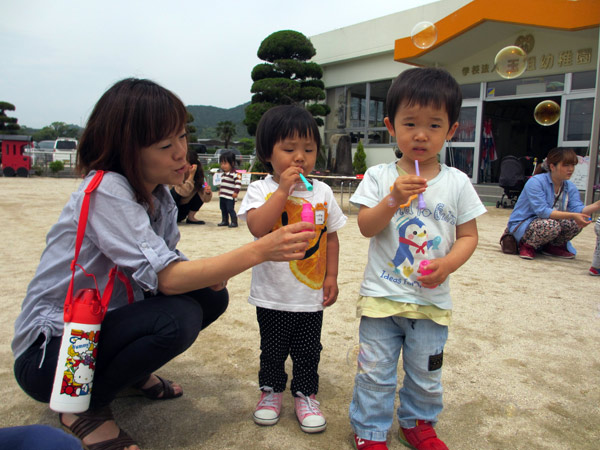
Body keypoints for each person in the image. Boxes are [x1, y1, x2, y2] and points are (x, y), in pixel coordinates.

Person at [11, 78, 316, 450]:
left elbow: (166, 269)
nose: (180, 153)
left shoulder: (160, 198)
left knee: (209, 297)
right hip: (54, 354)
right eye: (165, 144)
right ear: (126, 149)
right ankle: (83, 408)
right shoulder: (107, 188)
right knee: (177, 318)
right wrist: (260, 250)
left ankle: (128, 375)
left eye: (182, 138)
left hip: (99, 330)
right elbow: (167, 279)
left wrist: (214, 277)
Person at [348, 67, 487, 450]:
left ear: (451, 131)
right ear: (391, 127)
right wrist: (393, 197)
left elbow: (469, 236)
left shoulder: (457, 182)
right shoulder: (378, 175)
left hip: (430, 301)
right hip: (381, 298)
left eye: (434, 125)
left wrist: (448, 265)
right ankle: (371, 430)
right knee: (375, 372)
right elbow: (366, 227)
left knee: (426, 373)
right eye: (410, 123)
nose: (421, 134)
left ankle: (418, 423)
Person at [237, 105, 347, 434]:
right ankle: (270, 392)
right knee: (271, 348)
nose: (300, 157)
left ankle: (305, 394)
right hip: (272, 294)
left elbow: (331, 240)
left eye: (309, 149)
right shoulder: (261, 189)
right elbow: (258, 227)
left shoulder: (323, 192)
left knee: (308, 350)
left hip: (310, 293)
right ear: (267, 153)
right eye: (289, 149)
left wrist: (331, 277)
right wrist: (283, 190)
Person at [505, 147, 600, 260]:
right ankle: (527, 246)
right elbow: (542, 211)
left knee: (574, 223)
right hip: (525, 225)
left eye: (573, 165)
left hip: (547, 223)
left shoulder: (570, 186)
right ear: (552, 166)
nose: (570, 169)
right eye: (566, 165)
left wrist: (597, 205)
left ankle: (552, 246)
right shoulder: (536, 182)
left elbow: (577, 209)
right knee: (550, 225)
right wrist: (574, 215)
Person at [170, 148, 212, 224]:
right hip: (170, 209)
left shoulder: (200, 177)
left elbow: (206, 198)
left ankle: (191, 217)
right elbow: (183, 192)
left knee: (201, 191)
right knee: (174, 192)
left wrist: (208, 192)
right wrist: (191, 176)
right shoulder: (176, 174)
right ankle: (170, 219)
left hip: (182, 210)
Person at [217, 150, 241, 228]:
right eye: (221, 163)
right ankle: (225, 221)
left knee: (230, 209)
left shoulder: (235, 174)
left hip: (230, 196)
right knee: (223, 208)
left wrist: (236, 192)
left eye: (225, 163)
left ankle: (234, 221)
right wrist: (220, 191)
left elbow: (238, 183)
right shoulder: (223, 174)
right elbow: (222, 184)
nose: (223, 165)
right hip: (223, 195)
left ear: (232, 163)